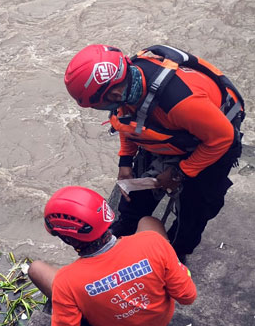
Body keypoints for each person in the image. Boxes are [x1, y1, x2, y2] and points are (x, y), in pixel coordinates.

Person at [63, 44, 245, 263]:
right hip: (170, 134)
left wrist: (179, 172)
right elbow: (124, 120)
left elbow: (222, 139)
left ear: (115, 92)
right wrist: (125, 161)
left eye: (97, 106)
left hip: (210, 141)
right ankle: (122, 233)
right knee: (135, 195)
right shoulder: (128, 84)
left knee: (194, 208)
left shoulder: (182, 103)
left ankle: (178, 252)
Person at [27, 186, 196, 326]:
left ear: (67, 239)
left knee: (35, 268)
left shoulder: (67, 281)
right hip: (159, 322)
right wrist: (168, 265)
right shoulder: (153, 242)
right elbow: (188, 296)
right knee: (149, 221)